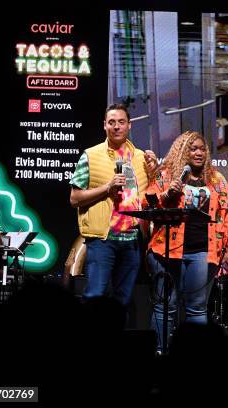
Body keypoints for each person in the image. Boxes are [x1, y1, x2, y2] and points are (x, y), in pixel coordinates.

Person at [143, 131, 228, 353]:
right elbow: (148, 206)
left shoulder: (217, 180)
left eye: (202, 149)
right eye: (192, 149)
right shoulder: (165, 175)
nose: (198, 153)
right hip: (166, 250)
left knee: (197, 308)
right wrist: (168, 194)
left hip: (203, 251)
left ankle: (196, 359)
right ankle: (159, 354)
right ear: (182, 151)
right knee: (165, 306)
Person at [69, 103, 158, 307]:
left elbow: (152, 196)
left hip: (133, 239)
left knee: (123, 301)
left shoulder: (142, 157)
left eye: (121, 122)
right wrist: (106, 188)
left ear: (129, 125)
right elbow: (74, 198)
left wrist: (155, 172)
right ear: (104, 126)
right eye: (111, 122)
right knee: (94, 296)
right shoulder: (90, 156)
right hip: (103, 239)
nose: (116, 126)